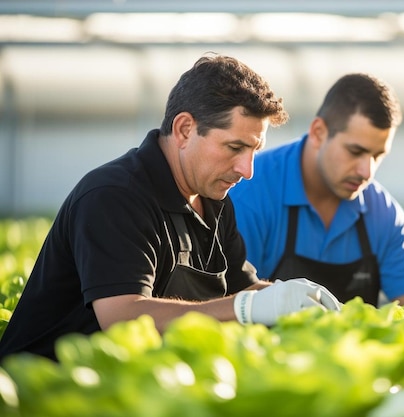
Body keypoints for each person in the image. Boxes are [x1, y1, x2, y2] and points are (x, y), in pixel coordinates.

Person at [0, 54, 341, 362]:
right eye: (235, 147)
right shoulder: (114, 196)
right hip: (47, 390)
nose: (247, 170)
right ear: (184, 129)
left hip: (137, 381)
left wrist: (290, 296)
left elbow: (241, 288)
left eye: (254, 150)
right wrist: (248, 308)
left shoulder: (214, 200)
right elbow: (121, 316)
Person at [229, 73, 404, 307]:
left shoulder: (385, 215)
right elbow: (227, 304)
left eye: (378, 156)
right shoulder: (250, 195)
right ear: (318, 132)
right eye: (355, 152)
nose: (367, 171)